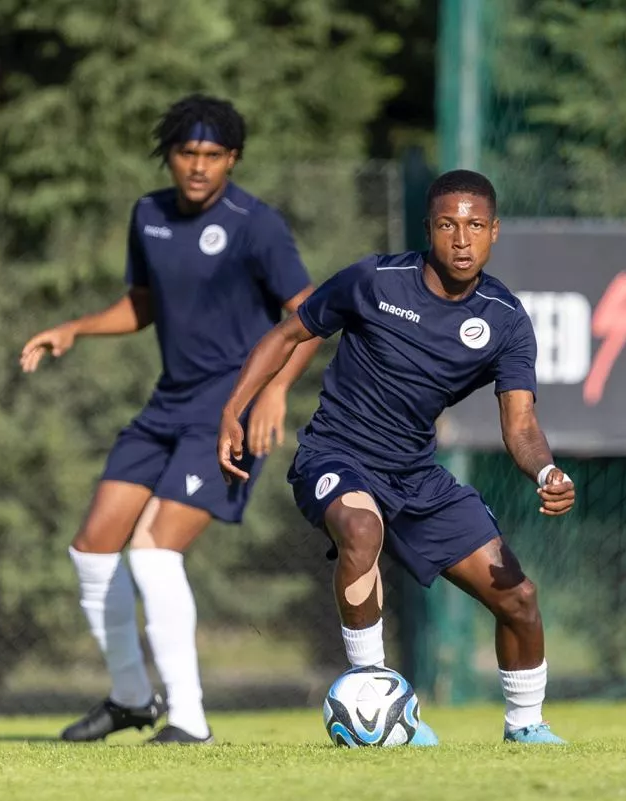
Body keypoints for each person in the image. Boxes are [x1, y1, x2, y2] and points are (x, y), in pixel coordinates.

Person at [217, 169, 576, 744]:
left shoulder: (505, 320)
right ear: (428, 229)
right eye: (447, 225)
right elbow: (288, 334)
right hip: (337, 454)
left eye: (475, 225)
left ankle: (526, 727)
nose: (461, 239)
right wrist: (235, 407)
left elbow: (521, 423)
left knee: (519, 597)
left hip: (415, 476)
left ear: (494, 232)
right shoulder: (375, 280)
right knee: (360, 526)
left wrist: (546, 469)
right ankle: (371, 696)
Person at [21, 94, 319, 745]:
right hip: (168, 405)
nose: (199, 166)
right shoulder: (149, 214)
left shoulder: (256, 225)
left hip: (229, 414)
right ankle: (131, 698)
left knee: (152, 554)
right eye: (187, 152)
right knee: (93, 548)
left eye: (213, 155)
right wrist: (76, 328)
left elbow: (309, 316)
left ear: (233, 158)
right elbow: (142, 305)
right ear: (169, 156)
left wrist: (274, 394)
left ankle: (189, 718)